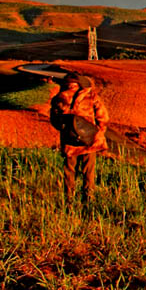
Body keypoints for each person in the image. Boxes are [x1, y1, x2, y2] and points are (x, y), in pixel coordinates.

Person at [49, 72, 109, 205]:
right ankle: (88, 200)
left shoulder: (59, 98)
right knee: (88, 172)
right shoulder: (91, 96)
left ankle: (68, 200)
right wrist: (98, 132)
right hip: (90, 142)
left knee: (69, 173)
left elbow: (54, 121)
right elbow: (103, 117)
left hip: (70, 142)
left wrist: (66, 130)